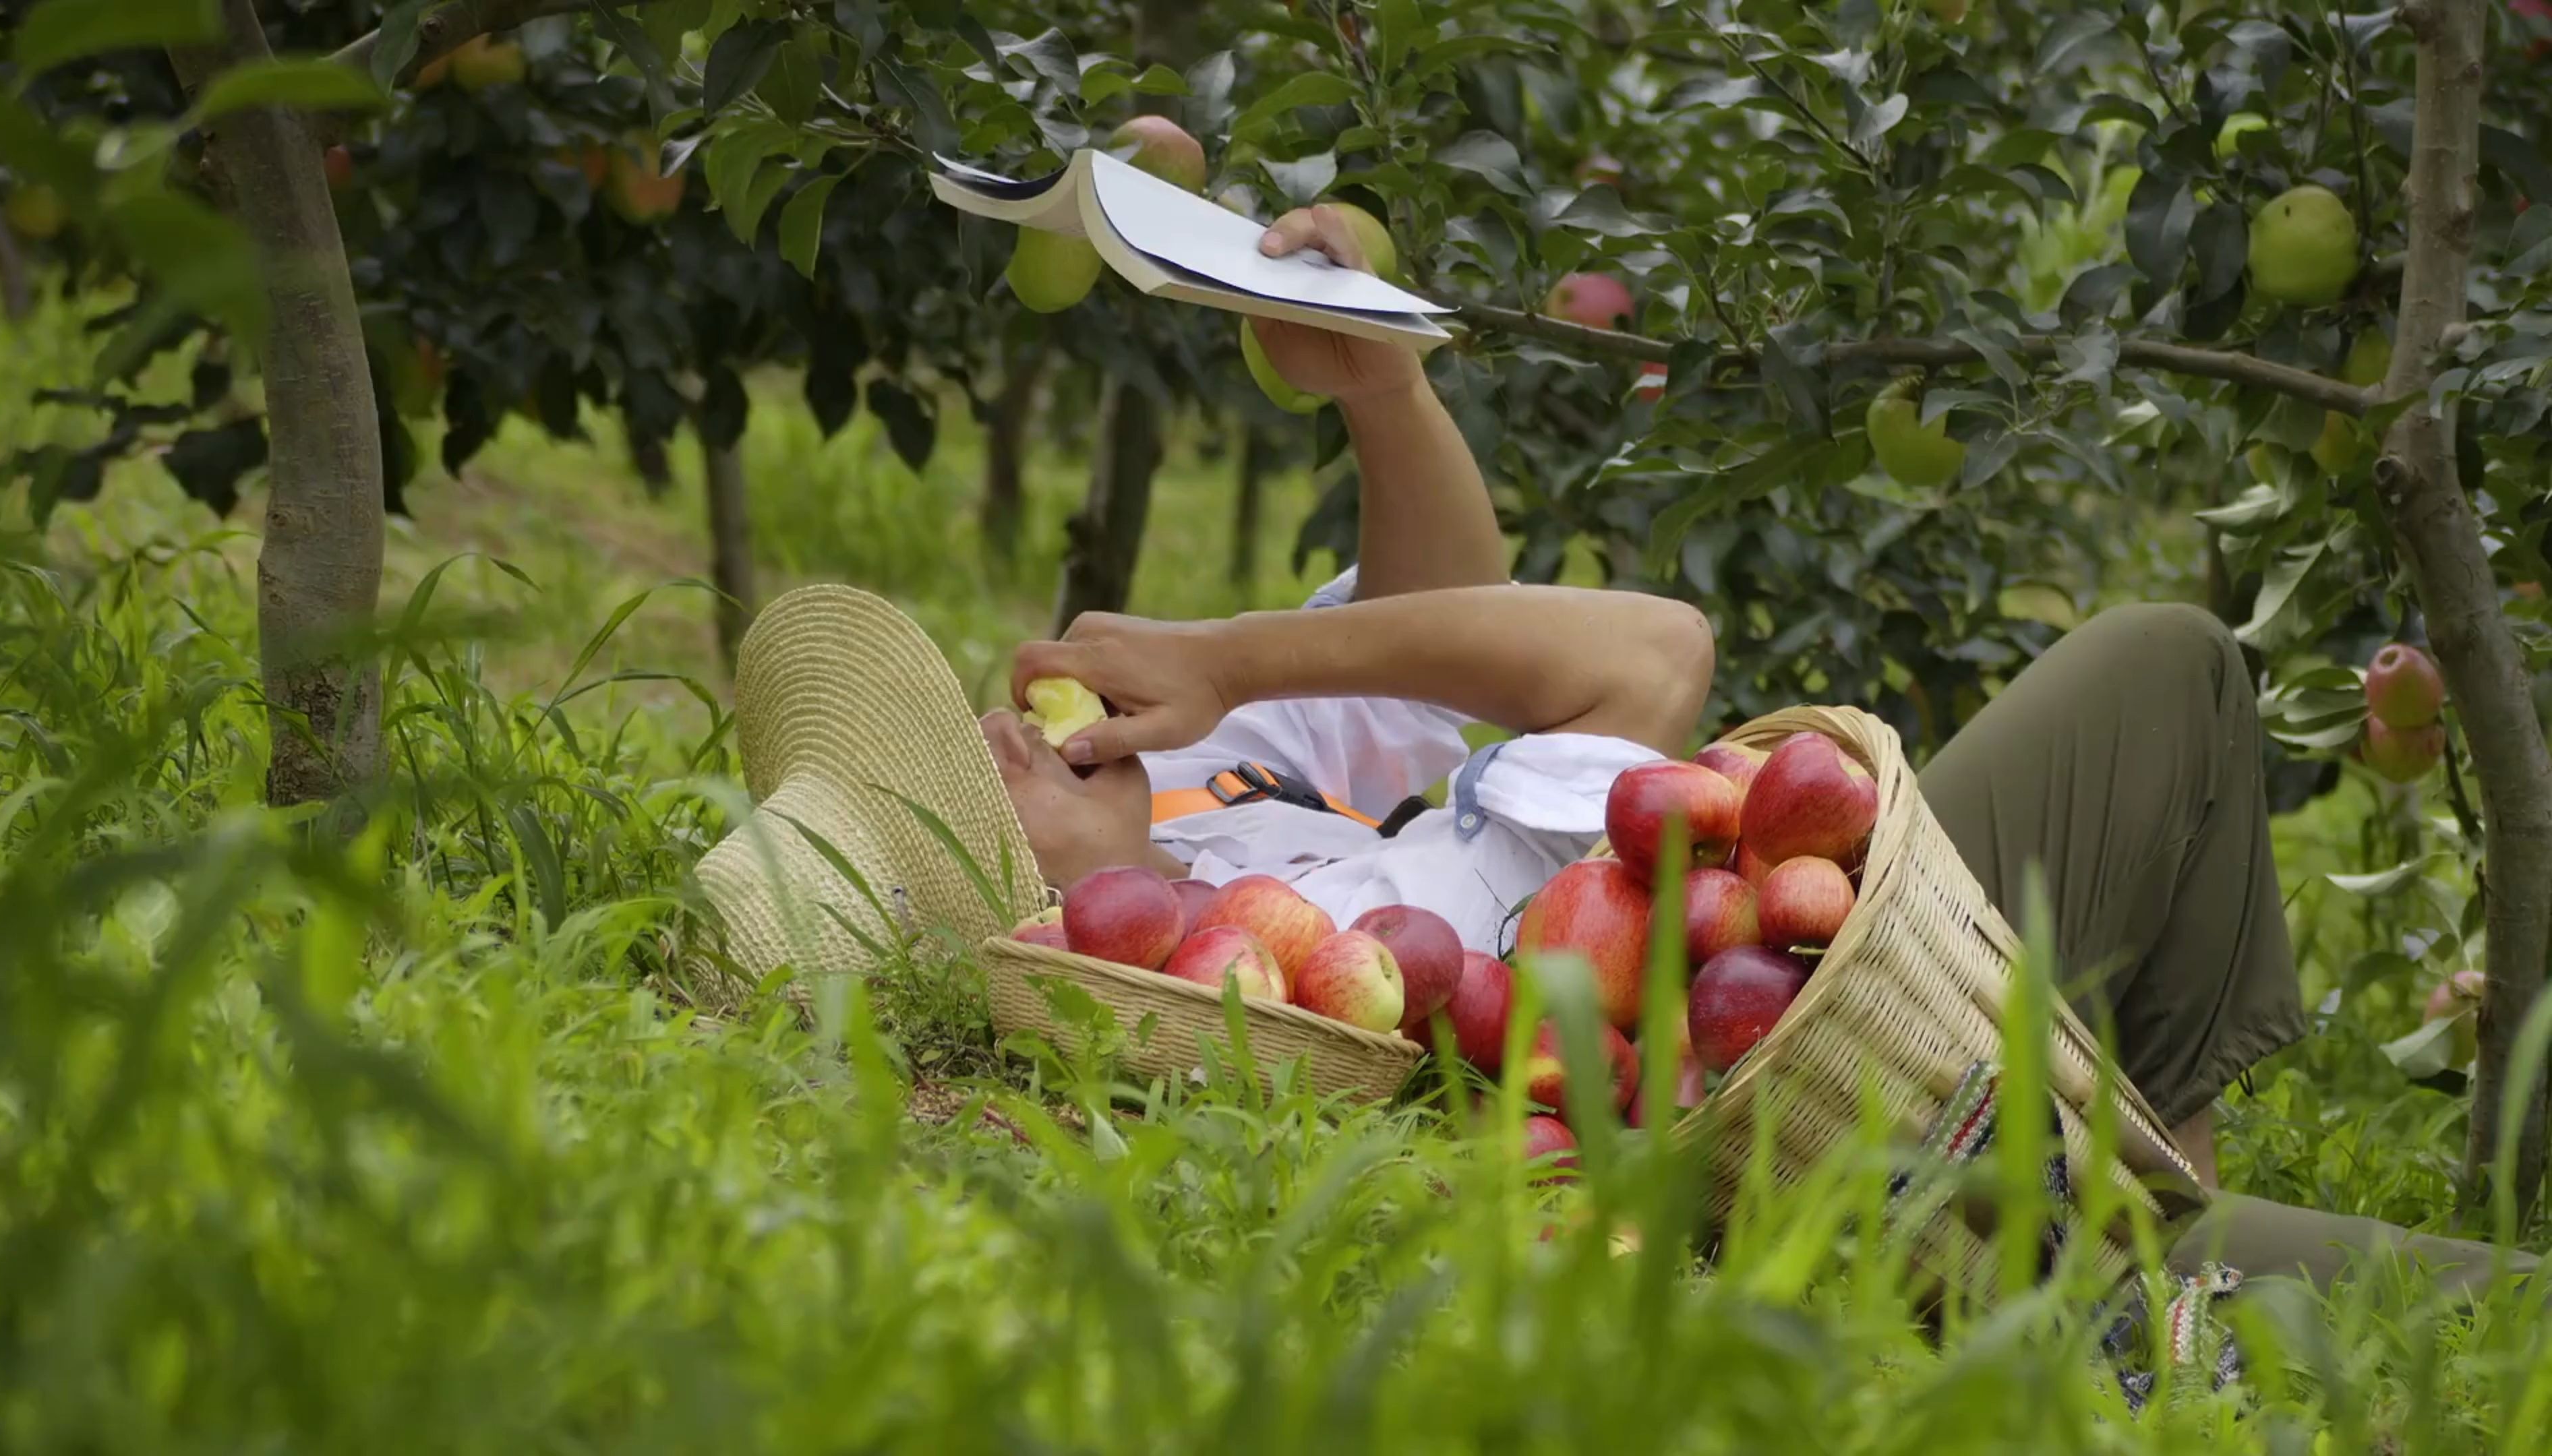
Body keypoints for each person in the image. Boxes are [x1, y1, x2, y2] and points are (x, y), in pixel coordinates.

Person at [965, 204, 2537, 1297]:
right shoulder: (1204, 1003)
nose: (1003, 726)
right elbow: (1653, 659)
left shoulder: (1227, 804)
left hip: (1796, 969)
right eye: (978, 764)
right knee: (2472, 1303)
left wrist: (1381, 376)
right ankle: (2136, 1258)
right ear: (1003, 894)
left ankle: (2144, 1171)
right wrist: (1220, 678)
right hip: (1733, 1112)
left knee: (2171, 670)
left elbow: (1439, 623)